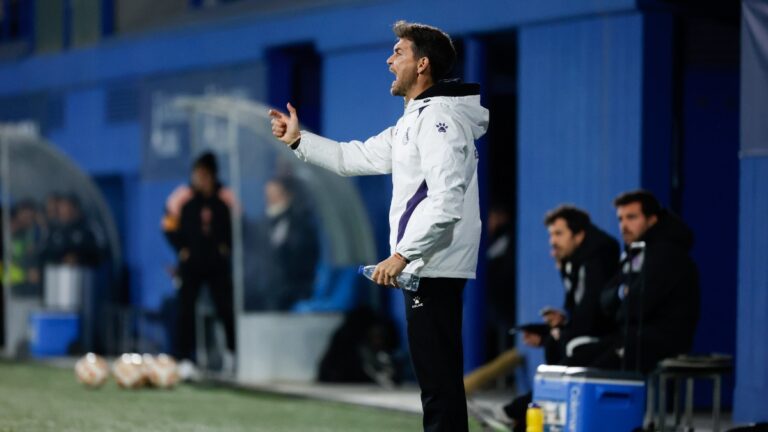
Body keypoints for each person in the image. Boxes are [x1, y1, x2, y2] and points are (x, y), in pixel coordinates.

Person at [269, 20, 488, 432]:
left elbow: (447, 200)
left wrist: (403, 255)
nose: (389, 61)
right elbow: (353, 159)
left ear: (422, 65)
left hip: (432, 266)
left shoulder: (440, 120)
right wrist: (300, 141)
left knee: (438, 387)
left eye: (398, 53)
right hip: (424, 267)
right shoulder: (414, 120)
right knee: (436, 385)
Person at [499, 205, 620, 431]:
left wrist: (556, 332)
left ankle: (524, 410)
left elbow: (593, 313)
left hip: (610, 337)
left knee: (566, 344)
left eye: (558, 234)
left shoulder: (598, 257)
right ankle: (529, 412)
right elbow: (577, 309)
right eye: (551, 235)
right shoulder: (573, 259)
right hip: (591, 332)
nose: (552, 241)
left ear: (579, 234)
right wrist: (556, 325)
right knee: (557, 341)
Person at [587, 190, 700, 373]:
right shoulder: (633, 253)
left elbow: (637, 306)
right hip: (629, 337)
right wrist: (622, 294)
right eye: (620, 219)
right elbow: (605, 300)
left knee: (588, 376)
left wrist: (621, 304)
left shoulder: (666, 254)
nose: (624, 225)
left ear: (652, 220)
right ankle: (531, 403)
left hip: (658, 341)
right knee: (572, 362)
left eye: (631, 217)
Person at [162, 152, 237, 371]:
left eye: (204, 175)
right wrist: (182, 249)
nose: (199, 179)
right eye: (196, 174)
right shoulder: (182, 196)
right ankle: (185, 359)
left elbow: (240, 227)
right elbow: (167, 226)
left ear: (213, 175)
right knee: (185, 309)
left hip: (218, 265)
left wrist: (226, 248)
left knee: (226, 307)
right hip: (191, 265)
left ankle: (232, 355)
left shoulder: (226, 197)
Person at [251, 176, 320, 310]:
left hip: (294, 291)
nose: (269, 199)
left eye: (273, 194)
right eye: (267, 195)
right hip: (268, 291)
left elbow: (304, 257)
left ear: (286, 195)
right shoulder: (263, 224)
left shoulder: (300, 224)